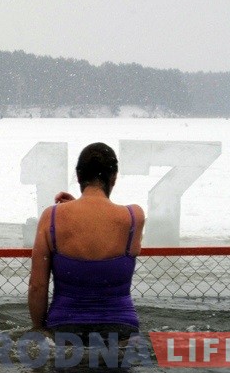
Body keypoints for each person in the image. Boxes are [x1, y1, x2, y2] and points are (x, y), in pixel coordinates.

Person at [28, 142, 145, 343]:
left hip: (65, 329)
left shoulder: (52, 217)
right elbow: (99, 227)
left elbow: (37, 286)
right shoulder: (134, 217)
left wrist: (39, 330)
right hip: (122, 331)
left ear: (79, 176)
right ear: (114, 178)